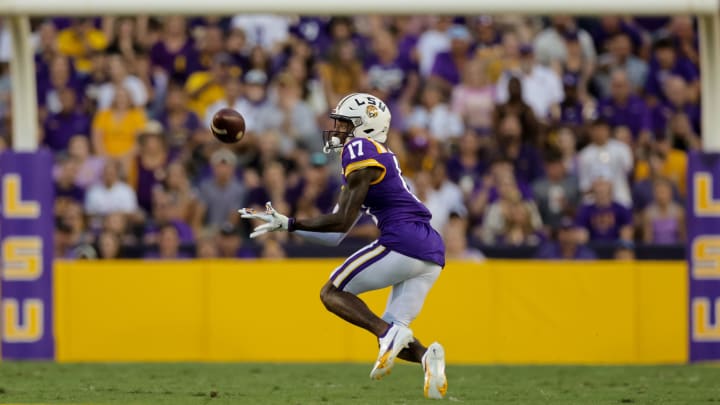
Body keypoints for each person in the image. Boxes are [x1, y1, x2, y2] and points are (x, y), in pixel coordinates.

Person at [240, 93, 447, 399]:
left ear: (364, 126)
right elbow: (337, 232)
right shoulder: (374, 157)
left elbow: (339, 222)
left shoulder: (360, 147)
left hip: (403, 239)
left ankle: (390, 334)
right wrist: (288, 224)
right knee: (390, 331)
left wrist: (293, 222)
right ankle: (429, 359)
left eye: (344, 124)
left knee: (331, 293)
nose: (337, 130)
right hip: (430, 249)